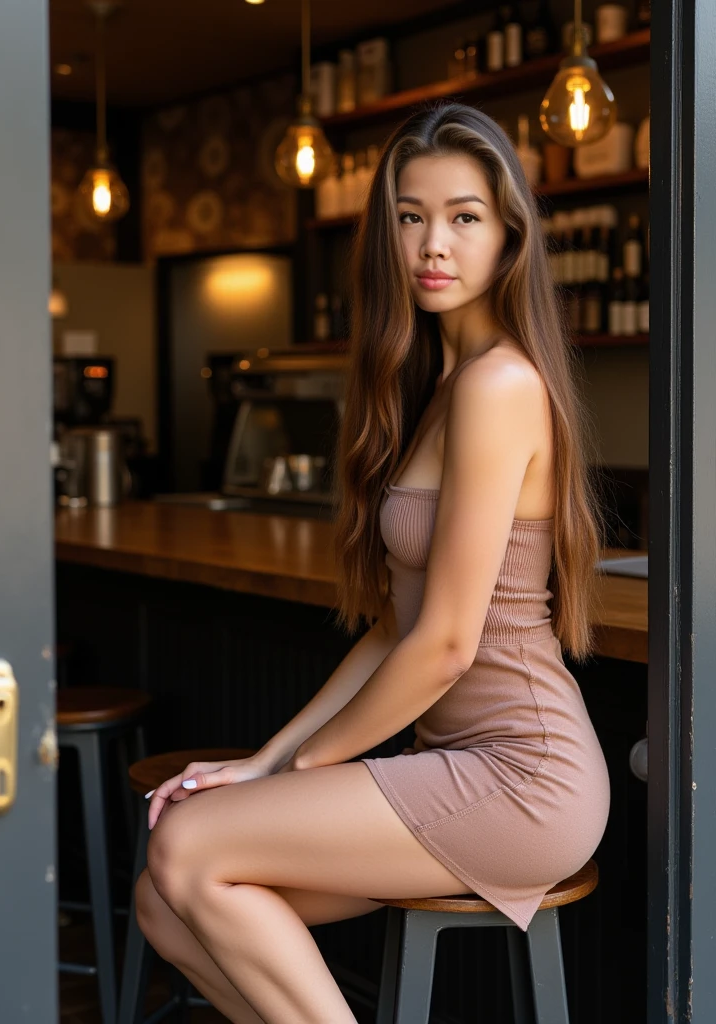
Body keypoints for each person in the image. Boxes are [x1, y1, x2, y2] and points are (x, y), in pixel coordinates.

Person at [135, 101, 611, 1024]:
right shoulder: (440, 388)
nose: (433, 243)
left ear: (510, 236)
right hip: (457, 767)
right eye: (410, 216)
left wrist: (303, 766)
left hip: (522, 777)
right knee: (169, 898)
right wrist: (271, 758)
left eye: (464, 217)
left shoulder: (501, 385)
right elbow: (394, 625)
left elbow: (443, 648)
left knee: (188, 850)